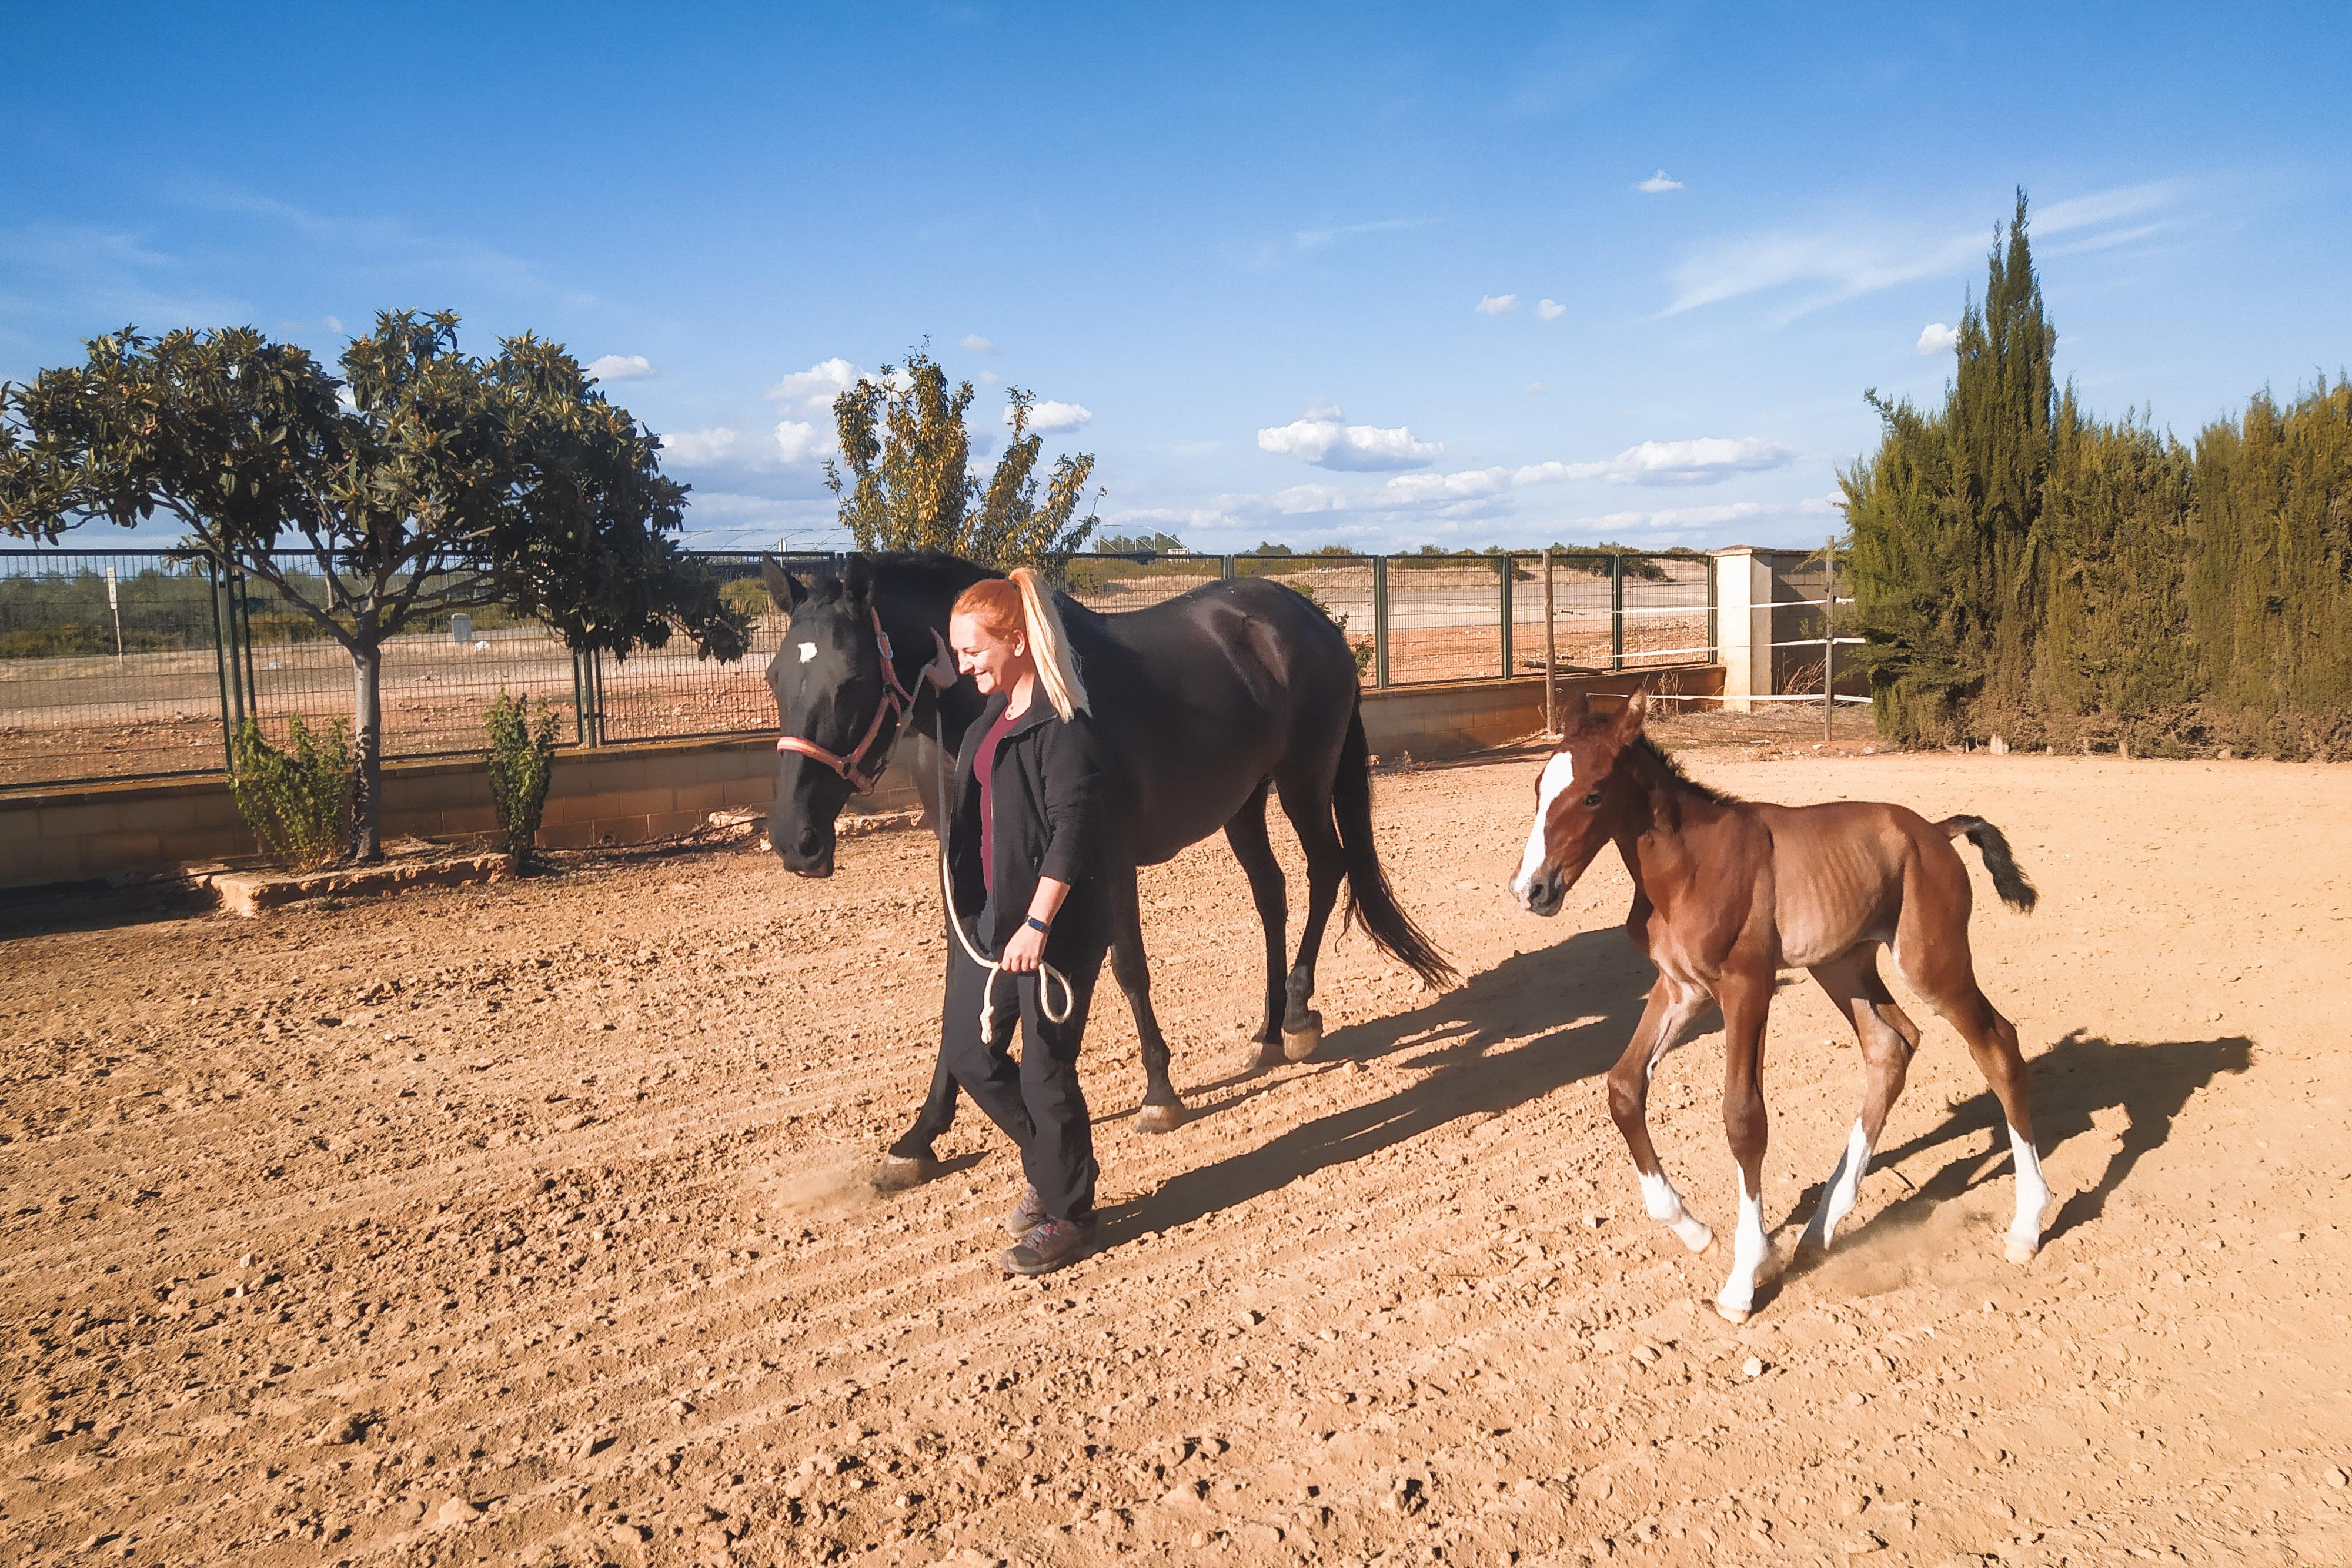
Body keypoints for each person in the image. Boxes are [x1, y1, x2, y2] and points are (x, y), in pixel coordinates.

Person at [938, 567, 1109, 1276]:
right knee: (971, 1057)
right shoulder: (993, 718)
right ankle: (1050, 1166)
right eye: (957, 653)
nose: (963, 666)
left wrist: (1036, 926)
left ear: (1014, 640)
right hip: (996, 925)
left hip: (1053, 930)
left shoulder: (1062, 727)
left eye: (972, 652)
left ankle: (1069, 1213)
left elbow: (1073, 831)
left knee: (1045, 1073)